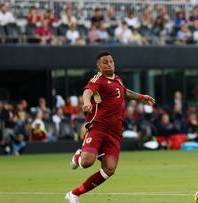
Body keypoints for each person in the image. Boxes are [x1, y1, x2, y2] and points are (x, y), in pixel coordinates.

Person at [65, 51, 155, 203]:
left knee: (109, 169)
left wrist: (141, 97)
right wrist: (86, 102)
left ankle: (74, 194)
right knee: (87, 163)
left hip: (115, 132)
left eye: (111, 61)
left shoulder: (118, 80)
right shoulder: (98, 79)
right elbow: (87, 91)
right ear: (98, 66)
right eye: (105, 62)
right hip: (98, 127)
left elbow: (125, 92)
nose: (109, 64)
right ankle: (78, 156)